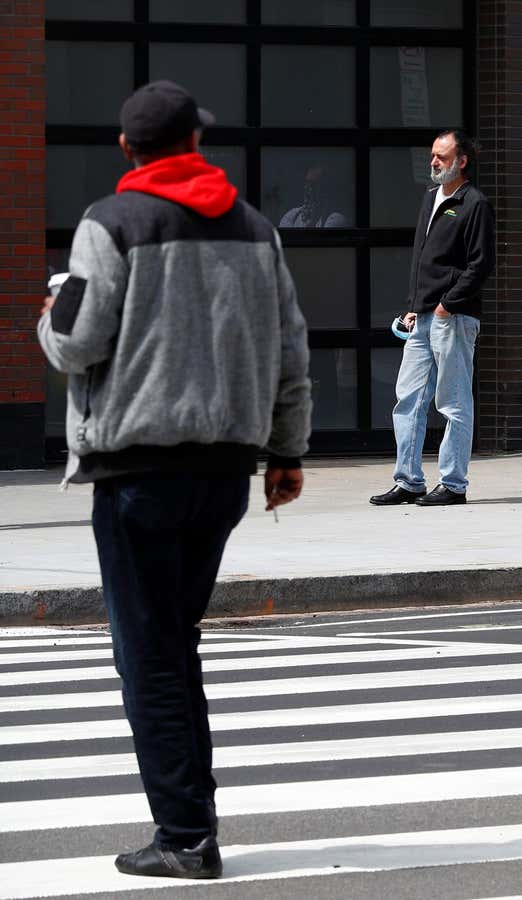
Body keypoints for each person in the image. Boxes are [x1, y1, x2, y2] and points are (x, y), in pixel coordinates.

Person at [35, 80, 311, 880]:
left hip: (139, 470)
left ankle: (186, 836)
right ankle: (191, 823)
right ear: (196, 142)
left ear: (129, 149)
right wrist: (286, 455)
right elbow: (291, 351)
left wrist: (43, 318)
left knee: (151, 655)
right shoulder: (256, 228)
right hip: (223, 472)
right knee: (174, 646)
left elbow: (79, 341)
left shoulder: (110, 223)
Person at [370, 130, 496, 507]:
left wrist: (447, 305)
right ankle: (408, 480)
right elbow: (421, 259)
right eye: (432, 156)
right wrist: (414, 304)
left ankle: (454, 484)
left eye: (442, 156)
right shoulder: (430, 198)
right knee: (407, 399)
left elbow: (481, 265)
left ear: (462, 161)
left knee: (453, 402)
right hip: (423, 317)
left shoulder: (474, 204)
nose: (434, 162)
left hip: (453, 318)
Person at [277, 164, 349, 228]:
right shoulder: (291, 216)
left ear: (325, 190)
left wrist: (313, 220)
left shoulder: (336, 219)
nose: (308, 190)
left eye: (314, 185)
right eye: (307, 184)